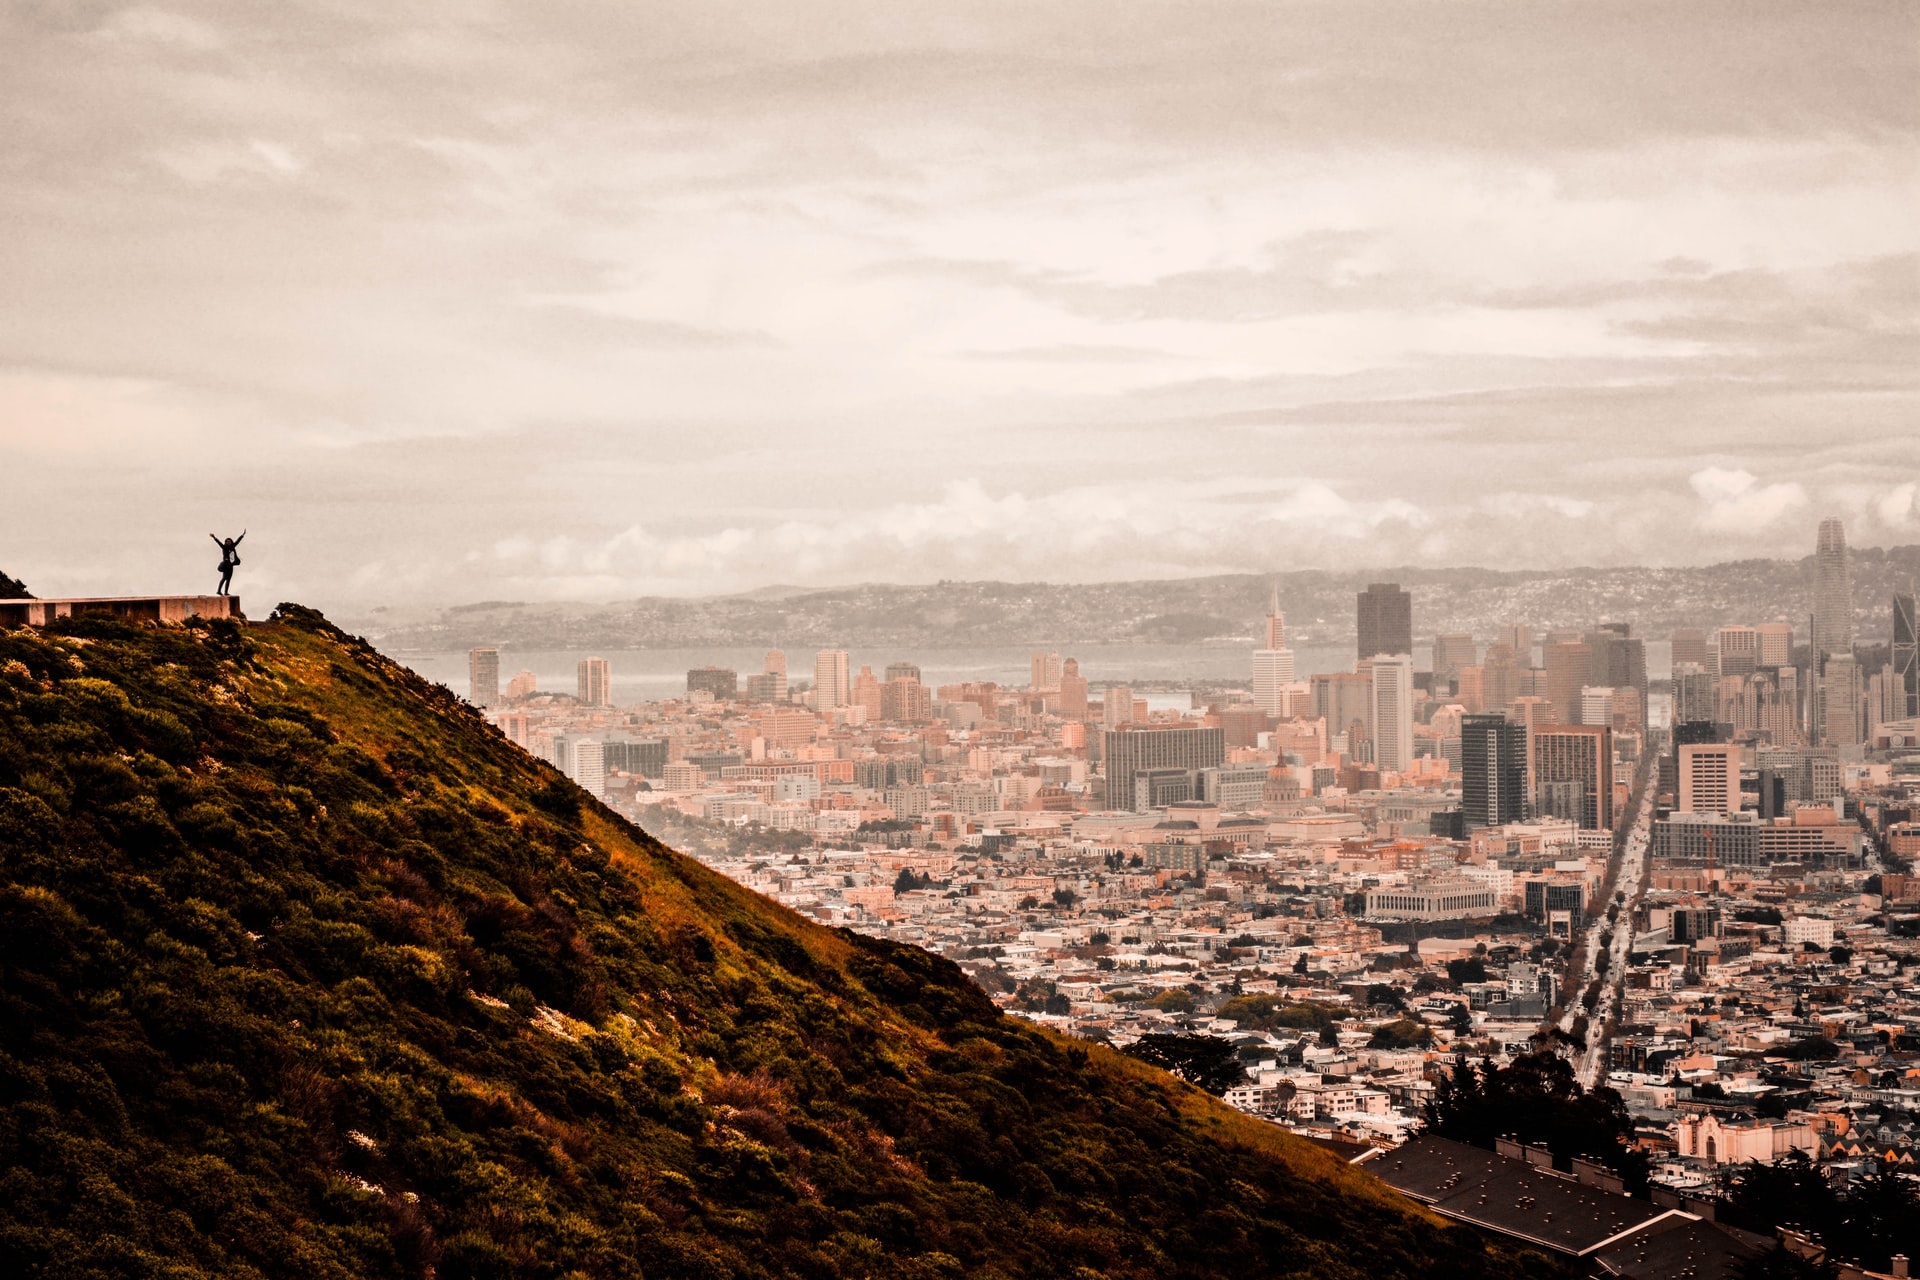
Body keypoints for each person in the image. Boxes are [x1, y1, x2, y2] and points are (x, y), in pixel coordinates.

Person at [210, 530, 245, 596]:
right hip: (226, 565)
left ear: (231, 542)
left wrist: (242, 535)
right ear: (225, 542)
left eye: (230, 541)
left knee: (228, 579)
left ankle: (226, 592)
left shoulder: (233, 546)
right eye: (227, 541)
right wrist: (214, 537)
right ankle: (218, 591)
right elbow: (219, 543)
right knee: (224, 578)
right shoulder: (224, 547)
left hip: (231, 565)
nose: (228, 542)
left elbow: (238, 541)